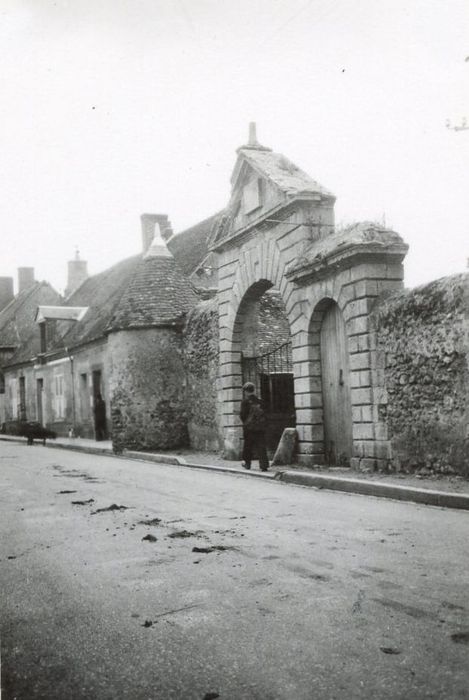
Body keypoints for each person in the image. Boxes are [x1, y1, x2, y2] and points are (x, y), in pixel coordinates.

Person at [240, 381, 269, 472]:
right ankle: (264, 465)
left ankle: (247, 464)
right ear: (254, 390)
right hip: (260, 428)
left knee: (248, 446)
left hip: (249, 428)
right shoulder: (260, 401)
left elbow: (242, 415)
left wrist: (246, 423)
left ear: (245, 391)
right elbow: (265, 414)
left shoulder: (245, 402)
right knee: (261, 446)